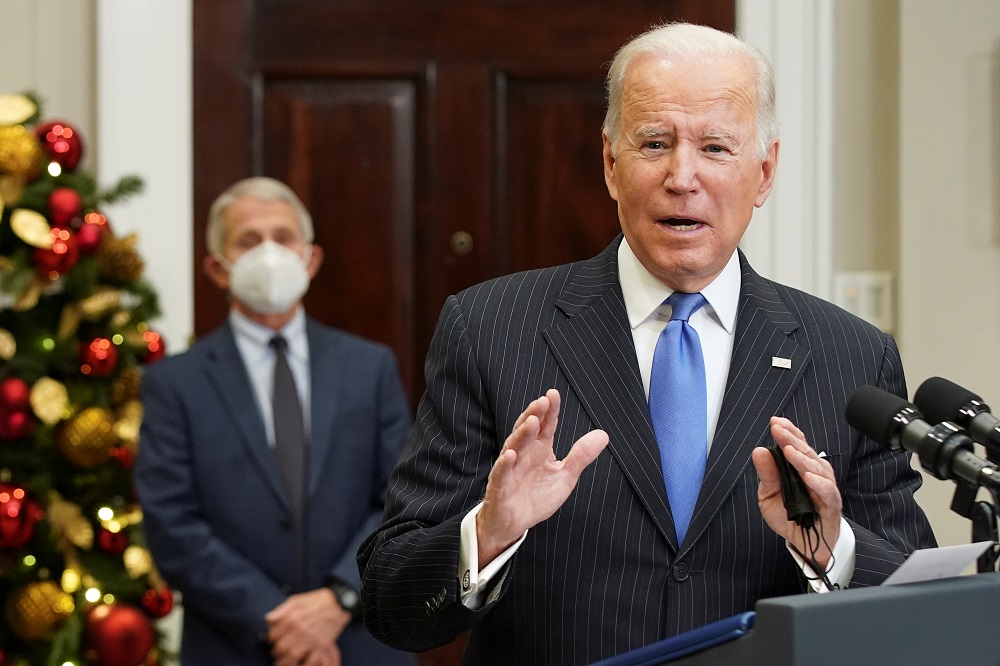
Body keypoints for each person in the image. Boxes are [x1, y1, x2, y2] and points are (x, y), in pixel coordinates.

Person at [358, 23, 936, 665]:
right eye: (654, 143)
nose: (682, 177)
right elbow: (390, 602)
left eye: (715, 148)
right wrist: (487, 535)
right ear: (611, 163)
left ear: (765, 172)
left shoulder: (852, 355)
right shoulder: (490, 328)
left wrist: (834, 548)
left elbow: (920, 612)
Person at [136, 177, 416, 665]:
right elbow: (171, 522)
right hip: (234, 646)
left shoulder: (369, 368)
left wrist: (338, 599)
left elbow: (404, 498)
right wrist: (276, 619)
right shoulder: (174, 383)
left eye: (283, 238)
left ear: (310, 259)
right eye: (248, 241)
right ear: (217, 268)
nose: (269, 253)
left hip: (361, 641)